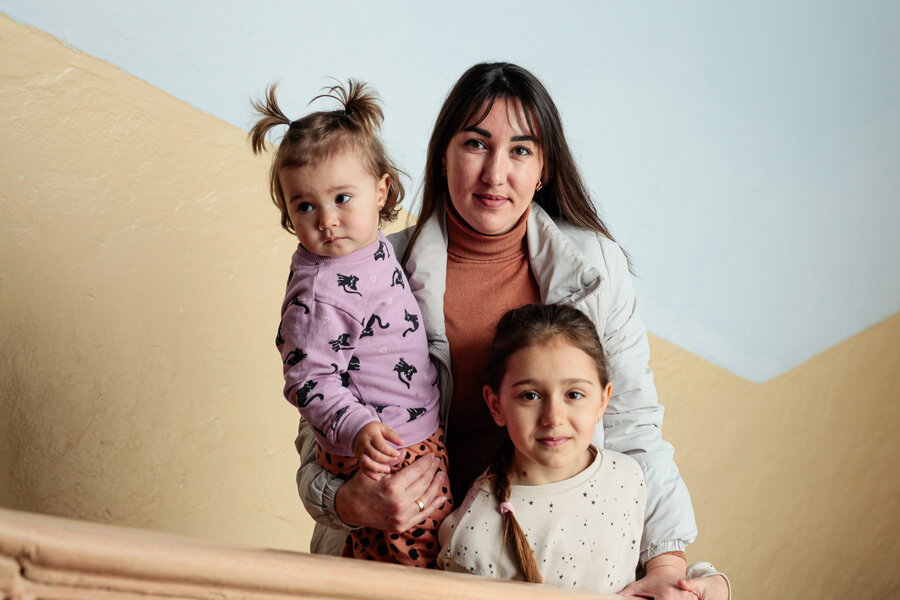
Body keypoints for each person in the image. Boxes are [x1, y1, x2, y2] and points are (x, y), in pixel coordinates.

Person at [295, 62, 728, 599]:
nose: (495, 174)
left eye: (521, 150)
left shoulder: (595, 266)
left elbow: (633, 424)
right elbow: (317, 436)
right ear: (444, 155)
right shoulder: (372, 263)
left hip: (547, 562)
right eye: (476, 144)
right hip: (397, 560)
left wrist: (664, 565)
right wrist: (349, 505)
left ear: (544, 167)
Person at [250, 80, 451, 567]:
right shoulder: (318, 290)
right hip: (377, 451)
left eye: (342, 197)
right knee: (403, 565)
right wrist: (358, 427)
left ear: (381, 191)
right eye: (305, 206)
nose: (327, 220)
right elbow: (308, 378)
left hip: (419, 433)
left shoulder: (375, 247)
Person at [439, 304, 729, 597]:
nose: (553, 417)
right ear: (496, 404)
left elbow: (663, 582)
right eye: (530, 395)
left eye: (574, 394)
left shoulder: (627, 478)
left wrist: (713, 586)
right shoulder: (473, 531)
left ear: (603, 401)